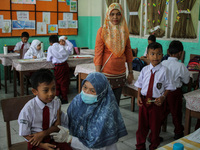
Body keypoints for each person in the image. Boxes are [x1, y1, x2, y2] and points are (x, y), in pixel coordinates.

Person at [50, 72, 128, 150]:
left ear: (101, 93)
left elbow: (96, 147)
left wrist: (69, 139)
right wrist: (59, 113)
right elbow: (72, 120)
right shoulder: (78, 100)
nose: (86, 92)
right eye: (85, 87)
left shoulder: (106, 114)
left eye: (92, 91)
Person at [18, 69, 72, 150]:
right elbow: (24, 133)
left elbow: (57, 126)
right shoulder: (28, 109)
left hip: (52, 138)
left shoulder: (56, 102)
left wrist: (43, 134)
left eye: (53, 88)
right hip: (36, 142)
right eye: (45, 90)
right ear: (35, 91)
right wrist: (42, 145)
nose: (51, 93)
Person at [134, 42, 175, 150]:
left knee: (155, 127)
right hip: (143, 101)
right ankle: (140, 146)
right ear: (147, 55)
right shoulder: (144, 70)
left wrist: (163, 97)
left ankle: (154, 146)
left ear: (162, 55)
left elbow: (169, 86)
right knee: (141, 127)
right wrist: (138, 96)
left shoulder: (165, 71)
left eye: (158, 54)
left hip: (156, 103)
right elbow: (140, 84)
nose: (155, 57)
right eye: (152, 54)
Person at [94, 3, 133, 105]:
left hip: (120, 74)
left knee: (115, 104)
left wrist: (131, 72)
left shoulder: (124, 31)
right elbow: (98, 53)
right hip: (106, 74)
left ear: (122, 15)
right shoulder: (102, 31)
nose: (115, 17)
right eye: (112, 14)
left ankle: (114, 121)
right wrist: (98, 75)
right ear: (108, 15)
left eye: (118, 14)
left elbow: (128, 52)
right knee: (104, 104)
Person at [161, 40, 190, 140]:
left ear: (168, 51)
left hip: (162, 91)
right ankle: (178, 133)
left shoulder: (163, 62)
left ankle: (153, 134)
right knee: (176, 113)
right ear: (180, 53)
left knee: (162, 112)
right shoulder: (181, 66)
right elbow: (186, 81)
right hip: (174, 92)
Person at [47, 35, 70, 103]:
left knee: (57, 82)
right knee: (64, 82)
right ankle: (64, 98)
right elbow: (67, 54)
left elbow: (48, 59)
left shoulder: (50, 48)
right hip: (65, 65)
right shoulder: (62, 47)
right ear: (58, 41)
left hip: (58, 67)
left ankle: (57, 96)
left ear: (50, 43)